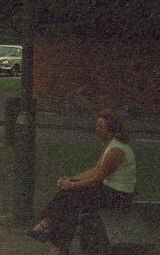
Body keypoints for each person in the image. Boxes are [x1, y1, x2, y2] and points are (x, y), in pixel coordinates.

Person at [27, 108, 136, 254]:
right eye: (97, 126)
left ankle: (49, 229)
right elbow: (95, 169)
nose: (97, 130)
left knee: (71, 197)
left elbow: (97, 178)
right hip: (109, 190)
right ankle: (55, 239)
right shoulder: (111, 145)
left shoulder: (116, 150)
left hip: (118, 196)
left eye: (101, 127)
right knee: (70, 199)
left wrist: (71, 184)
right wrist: (72, 179)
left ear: (111, 130)